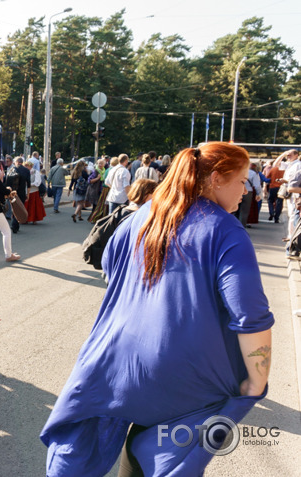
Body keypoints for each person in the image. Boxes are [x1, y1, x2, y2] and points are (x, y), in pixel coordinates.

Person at [42, 142, 273, 476]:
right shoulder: (226, 231)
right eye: (241, 180)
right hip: (184, 374)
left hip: (116, 360)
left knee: (130, 434)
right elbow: (251, 316)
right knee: (172, 444)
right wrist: (256, 382)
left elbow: (111, 269)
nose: (247, 190)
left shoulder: (142, 216)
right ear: (217, 179)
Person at [82, 179, 158, 271]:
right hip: (127, 265)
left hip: (113, 263)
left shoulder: (122, 210)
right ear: (146, 194)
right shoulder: (141, 216)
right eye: (154, 193)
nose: (156, 197)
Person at [8, 156, 31, 233]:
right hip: (21, 193)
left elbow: (7, 181)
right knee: (19, 208)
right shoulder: (26, 170)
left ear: (16, 162)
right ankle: (15, 224)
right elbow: (29, 184)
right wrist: (28, 194)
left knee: (13, 208)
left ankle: (14, 225)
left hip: (12, 192)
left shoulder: (12, 169)